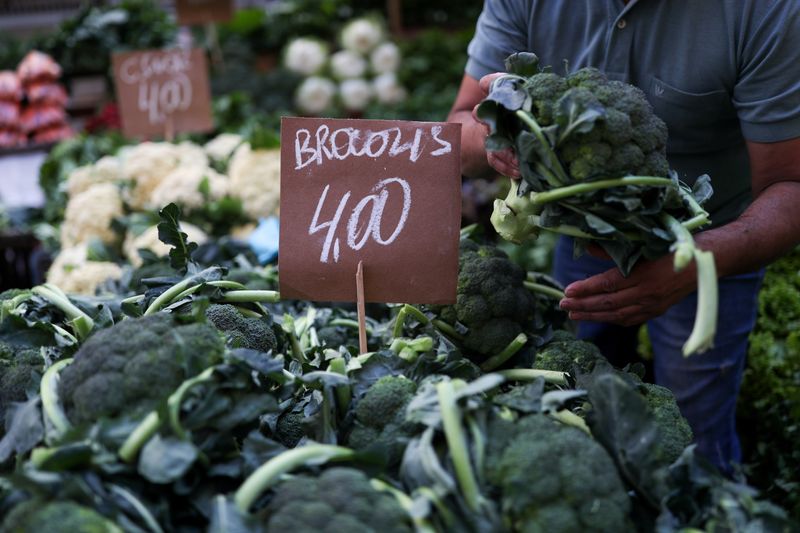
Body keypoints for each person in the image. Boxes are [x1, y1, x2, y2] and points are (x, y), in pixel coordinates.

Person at [448, 0, 800, 473]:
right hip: (580, 239)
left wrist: (699, 260)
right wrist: (502, 137)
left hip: (710, 243)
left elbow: (790, 186)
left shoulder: (766, 11)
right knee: (573, 393)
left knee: (695, 437)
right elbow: (460, 124)